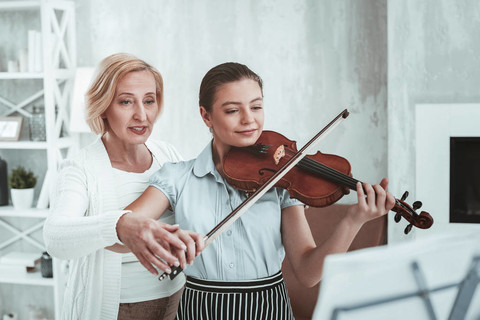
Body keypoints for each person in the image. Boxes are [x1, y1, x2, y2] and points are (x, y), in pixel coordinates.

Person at [118, 62, 395, 319]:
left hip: (268, 309)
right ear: (206, 116)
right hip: (201, 310)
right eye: (232, 110)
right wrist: (144, 233)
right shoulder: (177, 178)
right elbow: (119, 233)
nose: (249, 120)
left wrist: (354, 219)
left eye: (256, 107)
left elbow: (309, 273)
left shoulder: (281, 179)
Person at [43, 53, 203, 320]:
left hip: (177, 301)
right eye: (126, 102)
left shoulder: (168, 154)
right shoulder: (80, 168)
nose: (142, 115)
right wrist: (119, 225)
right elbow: (54, 237)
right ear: (104, 106)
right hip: (118, 310)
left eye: (149, 101)